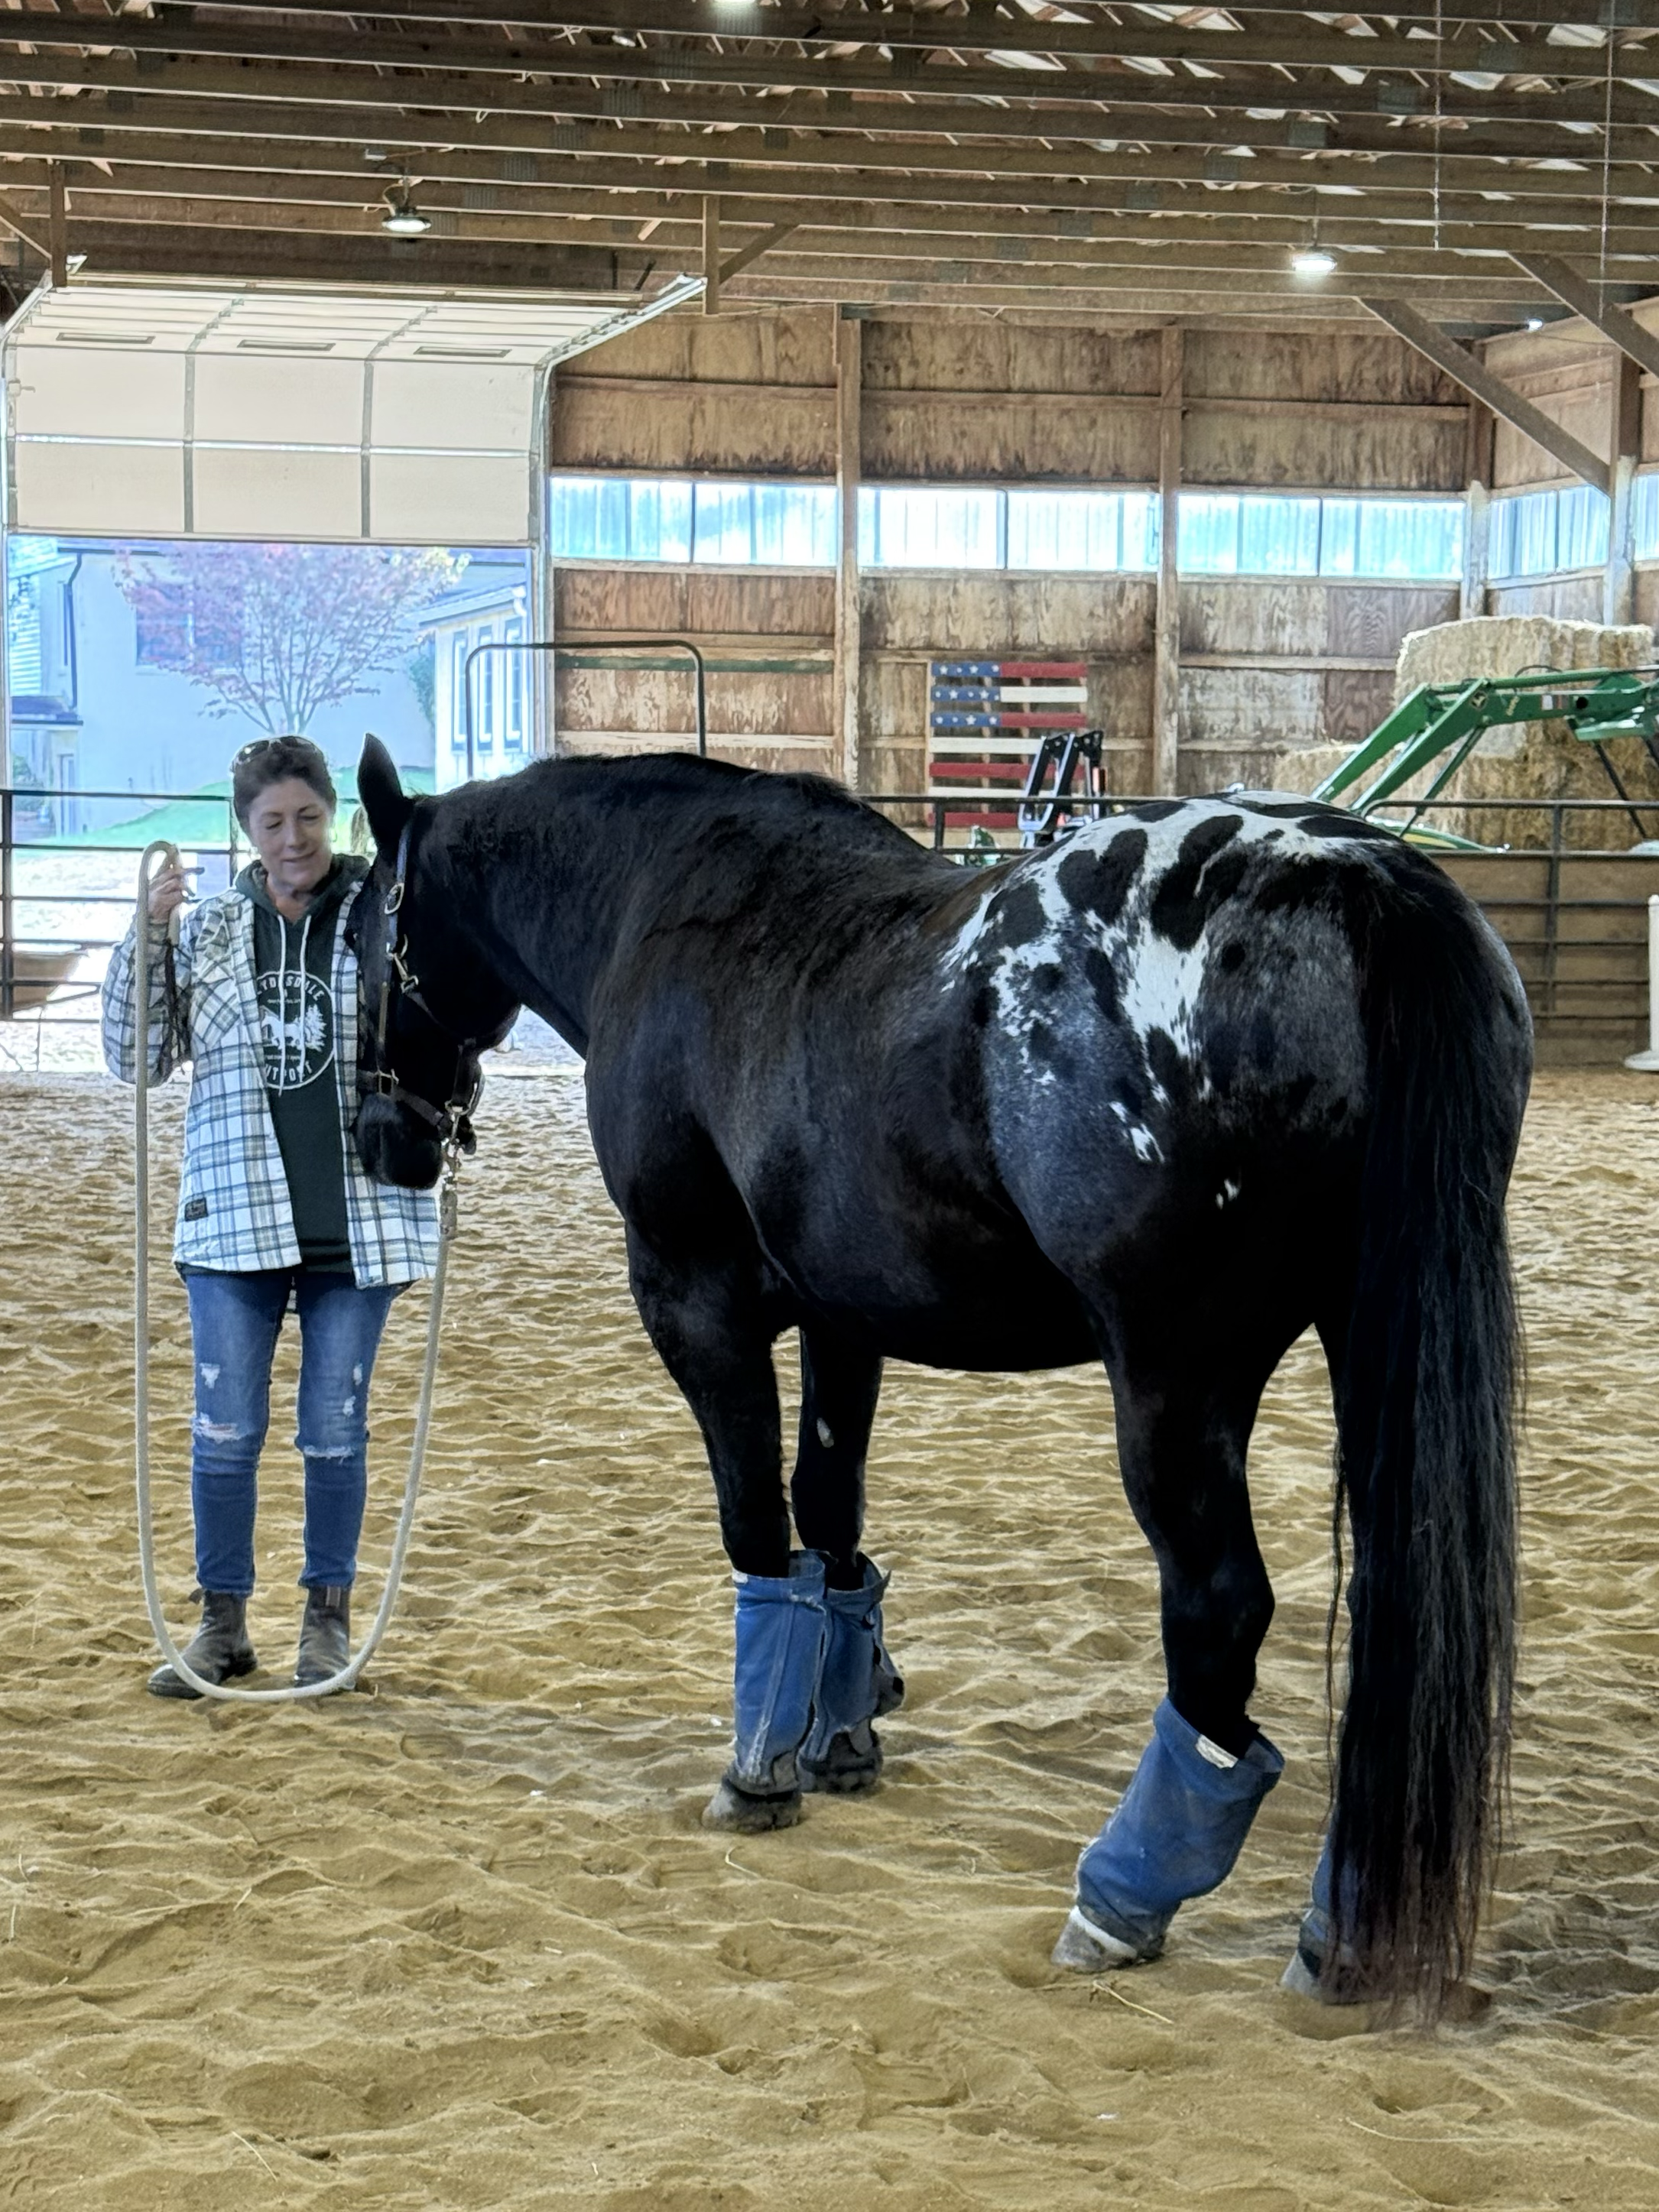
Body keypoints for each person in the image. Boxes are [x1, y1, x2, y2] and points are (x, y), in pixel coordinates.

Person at [103, 735, 439, 1696]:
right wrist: (145, 936)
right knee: (225, 1426)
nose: (293, 840)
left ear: (330, 813)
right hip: (232, 1218)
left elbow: (445, 1028)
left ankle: (325, 1623)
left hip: (360, 1221)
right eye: (271, 822)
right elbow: (138, 1058)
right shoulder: (205, 930)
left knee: (335, 1426)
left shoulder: (383, 916)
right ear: (245, 829)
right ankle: (222, 1623)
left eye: (307, 817)